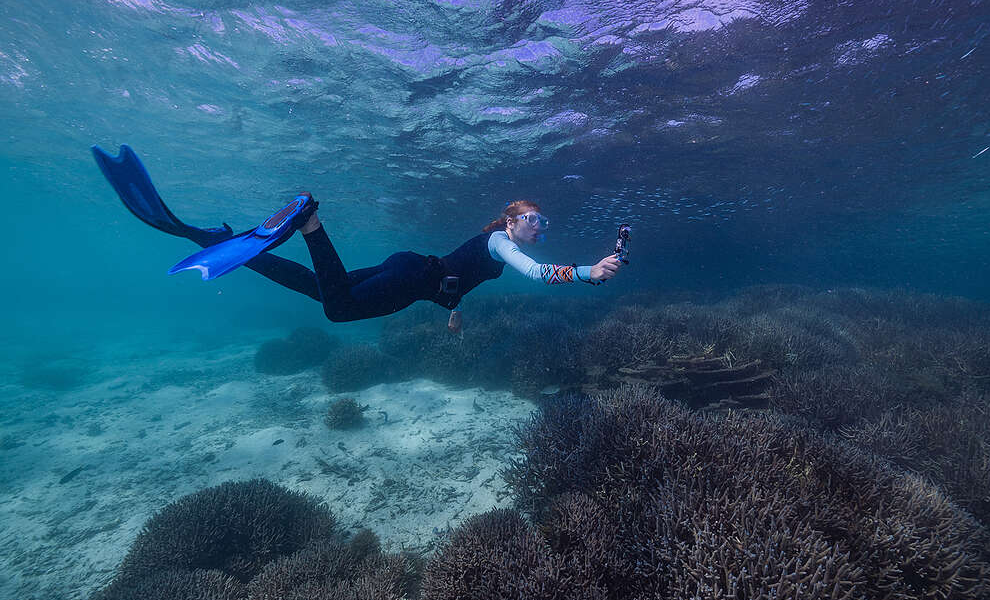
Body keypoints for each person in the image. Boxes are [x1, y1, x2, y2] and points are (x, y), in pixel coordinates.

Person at [91, 144, 622, 333]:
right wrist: (587, 272)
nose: (540, 229)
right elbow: (534, 272)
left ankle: (229, 244)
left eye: (542, 225)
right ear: (511, 222)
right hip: (413, 274)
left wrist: (452, 308)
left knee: (321, 290)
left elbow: (458, 277)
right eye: (535, 221)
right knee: (338, 311)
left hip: (414, 266)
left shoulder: (493, 247)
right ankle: (310, 223)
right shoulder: (505, 246)